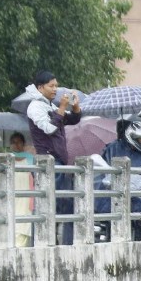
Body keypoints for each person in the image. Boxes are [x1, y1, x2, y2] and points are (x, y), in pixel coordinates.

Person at [24, 69, 82, 245]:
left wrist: (75, 108)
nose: (55, 89)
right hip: (47, 162)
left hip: (59, 162)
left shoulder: (49, 105)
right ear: (40, 87)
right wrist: (62, 108)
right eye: (51, 86)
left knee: (67, 205)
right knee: (47, 206)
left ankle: (67, 245)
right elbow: (49, 128)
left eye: (56, 85)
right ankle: (40, 245)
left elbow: (71, 121)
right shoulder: (35, 107)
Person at [99, 118, 141, 241]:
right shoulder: (112, 148)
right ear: (132, 138)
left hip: (138, 194)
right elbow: (103, 170)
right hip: (112, 193)